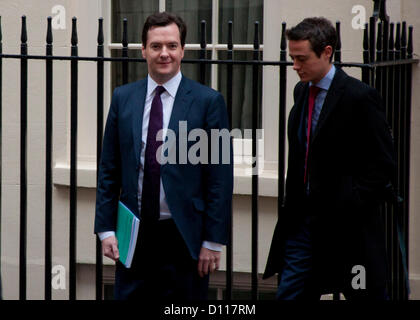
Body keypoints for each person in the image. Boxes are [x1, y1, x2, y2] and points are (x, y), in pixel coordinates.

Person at [94, 12, 233, 300]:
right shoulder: (123, 97)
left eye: (172, 45)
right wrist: (106, 229)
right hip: (134, 235)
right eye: (156, 46)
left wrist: (213, 241)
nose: (164, 53)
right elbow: (109, 168)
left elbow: (219, 177)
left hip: (184, 236)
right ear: (143, 50)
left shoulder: (208, 102)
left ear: (183, 49)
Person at [263, 17, 396, 300]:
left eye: (302, 59)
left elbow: (383, 164)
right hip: (302, 221)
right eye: (292, 58)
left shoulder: (360, 97)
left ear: (327, 52)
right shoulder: (302, 91)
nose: (295, 66)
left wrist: (351, 198)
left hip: (347, 226)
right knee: (290, 292)